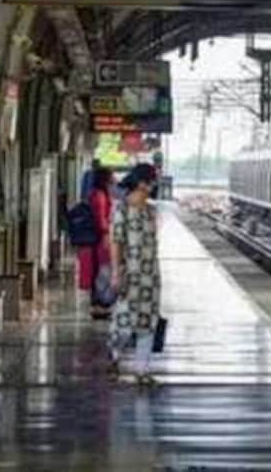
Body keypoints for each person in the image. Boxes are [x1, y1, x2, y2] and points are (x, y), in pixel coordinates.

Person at [108, 163, 162, 384]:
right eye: (151, 180)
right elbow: (115, 242)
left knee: (148, 321)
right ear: (141, 183)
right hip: (130, 273)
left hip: (151, 275)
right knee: (124, 319)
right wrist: (115, 272)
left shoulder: (152, 211)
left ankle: (142, 370)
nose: (154, 184)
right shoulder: (121, 210)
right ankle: (114, 353)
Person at [87, 167, 115, 319]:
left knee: (100, 270)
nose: (114, 178)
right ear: (105, 179)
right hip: (100, 238)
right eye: (112, 176)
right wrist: (105, 234)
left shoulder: (98, 193)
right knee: (102, 271)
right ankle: (101, 305)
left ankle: (100, 305)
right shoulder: (99, 195)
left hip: (99, 237)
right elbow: (100, 218)